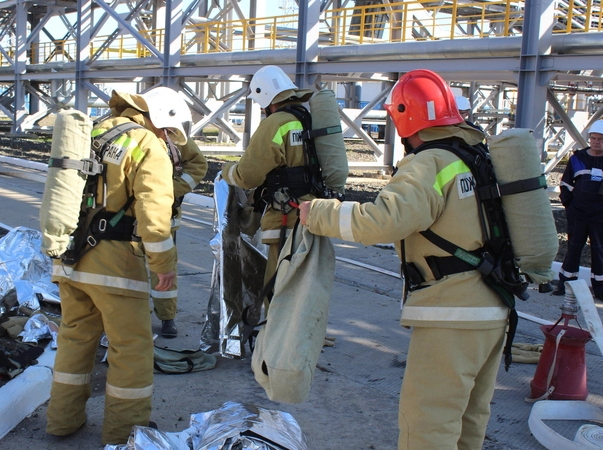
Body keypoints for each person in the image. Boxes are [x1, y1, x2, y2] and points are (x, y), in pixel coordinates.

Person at [299, 69, 508, 449]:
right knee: (468, 419)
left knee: (427, 424)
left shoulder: (430, 163)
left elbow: (382, 222)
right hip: (494, 304)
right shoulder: (478, 158)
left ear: (403, 118)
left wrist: (318, 213)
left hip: (452, 313)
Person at [45, 86, 192, 445]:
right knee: (132, 350)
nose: (167, 138)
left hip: (72, 258)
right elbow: (154, 216)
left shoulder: (95, 131)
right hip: (115, 268)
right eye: (168, 130)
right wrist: (163, 265)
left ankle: (62, 421)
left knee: (75, 341)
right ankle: (124, 433)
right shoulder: (146, 144)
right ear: (159, 118)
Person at [221, 65, 316, 303]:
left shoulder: (276, 123)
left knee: (277, 288)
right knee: (303, 285)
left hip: (286, 217)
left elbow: (248, 175)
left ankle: (277, 338)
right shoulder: (308, 119)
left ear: (265, 98)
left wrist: (226, 172)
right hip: (316, 213)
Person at [149, 138, 208, 337]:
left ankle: (167, 317)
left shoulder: (172, 134)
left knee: (164, 270)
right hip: (123, 221)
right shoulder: (127, 132)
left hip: (163, 219)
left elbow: (198, 164)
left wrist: (171, 190)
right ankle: (132, 317)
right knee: (127, 271)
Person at [553, 120, 603, 299]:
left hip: (600, 216)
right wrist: (570, 207)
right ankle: (565, 284)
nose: (596, 142)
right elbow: (565, 184)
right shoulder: (578, 159)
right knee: (574, 248)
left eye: (600, 139)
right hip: (579, 214)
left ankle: (600, 288)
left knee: (600, 250)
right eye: (593, 138)